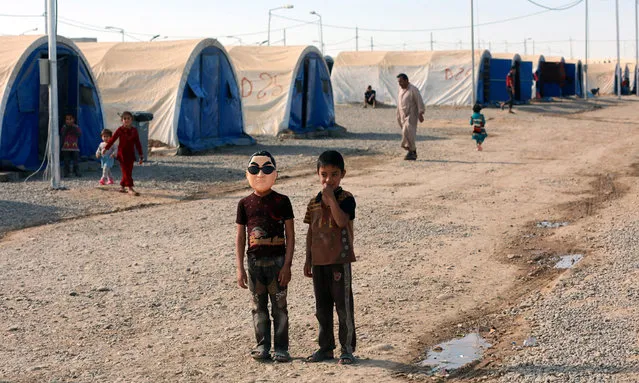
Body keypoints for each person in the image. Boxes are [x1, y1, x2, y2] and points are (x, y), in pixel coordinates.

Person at [235, 151, 295, 363]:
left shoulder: (282, 201)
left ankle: (281, 347)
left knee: (280, 307)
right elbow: (241, 237)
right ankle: (262, 345)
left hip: (278, 264)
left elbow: (290, 235)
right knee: (257, 307)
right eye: (254, 169)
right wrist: (240, 268)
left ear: (275, 173)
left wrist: (287, 265)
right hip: (254, 265)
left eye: (267, 169)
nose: (260, 173)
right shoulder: (244, 204)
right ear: (247, 173)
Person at [304, 150, 357, 365]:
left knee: (343, 307)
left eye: (334, 175)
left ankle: (347, 349)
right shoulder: (313, 203)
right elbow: (311, 232)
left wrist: (331, 199)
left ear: (342, 175)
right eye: (324, 174)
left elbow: (341, 221)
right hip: (319, 263)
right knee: (322, 308)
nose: (328, 180)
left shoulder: (346, 198)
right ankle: (325, 348)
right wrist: (308, 259)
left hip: (339, 260)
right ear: (317, 174)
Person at [103, 111, 143, 196]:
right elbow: (112, 139)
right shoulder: (120, 130)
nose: (126, 120)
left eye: (128, 118)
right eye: (125, 118)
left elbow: (138, 143)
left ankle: (122, 186)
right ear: (122, 120)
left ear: (131, 120)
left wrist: (140, 154)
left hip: (131, 154)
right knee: (125, 171)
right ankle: (130, 188)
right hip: (122, 154)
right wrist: (106, 148)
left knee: (129, 171)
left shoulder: (134, 131)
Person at [396, 73, 424, 161]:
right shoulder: (400, 89)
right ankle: (411, 151)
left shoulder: (413, 90)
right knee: (406, 132)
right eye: (398, 82)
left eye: (401, 81)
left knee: (407, 130)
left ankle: (412, 150)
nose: (399, 84)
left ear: (406, 80)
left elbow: (419, 100)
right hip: (402, 114)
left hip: (411, 114)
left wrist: (420, 112)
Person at [60, 113, 81, 177]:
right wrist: (67, 129)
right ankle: (66, 173)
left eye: (70, 119)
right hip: (66, 147)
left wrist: (73, 128)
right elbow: (62, 135)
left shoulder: (76, 127)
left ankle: (76, 171)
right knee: (66, 160)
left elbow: (79, 134)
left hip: (74, 147)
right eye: (67, 119)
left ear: (73, 120)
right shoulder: (64, 127)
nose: (68, 121)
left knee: (76, 160)